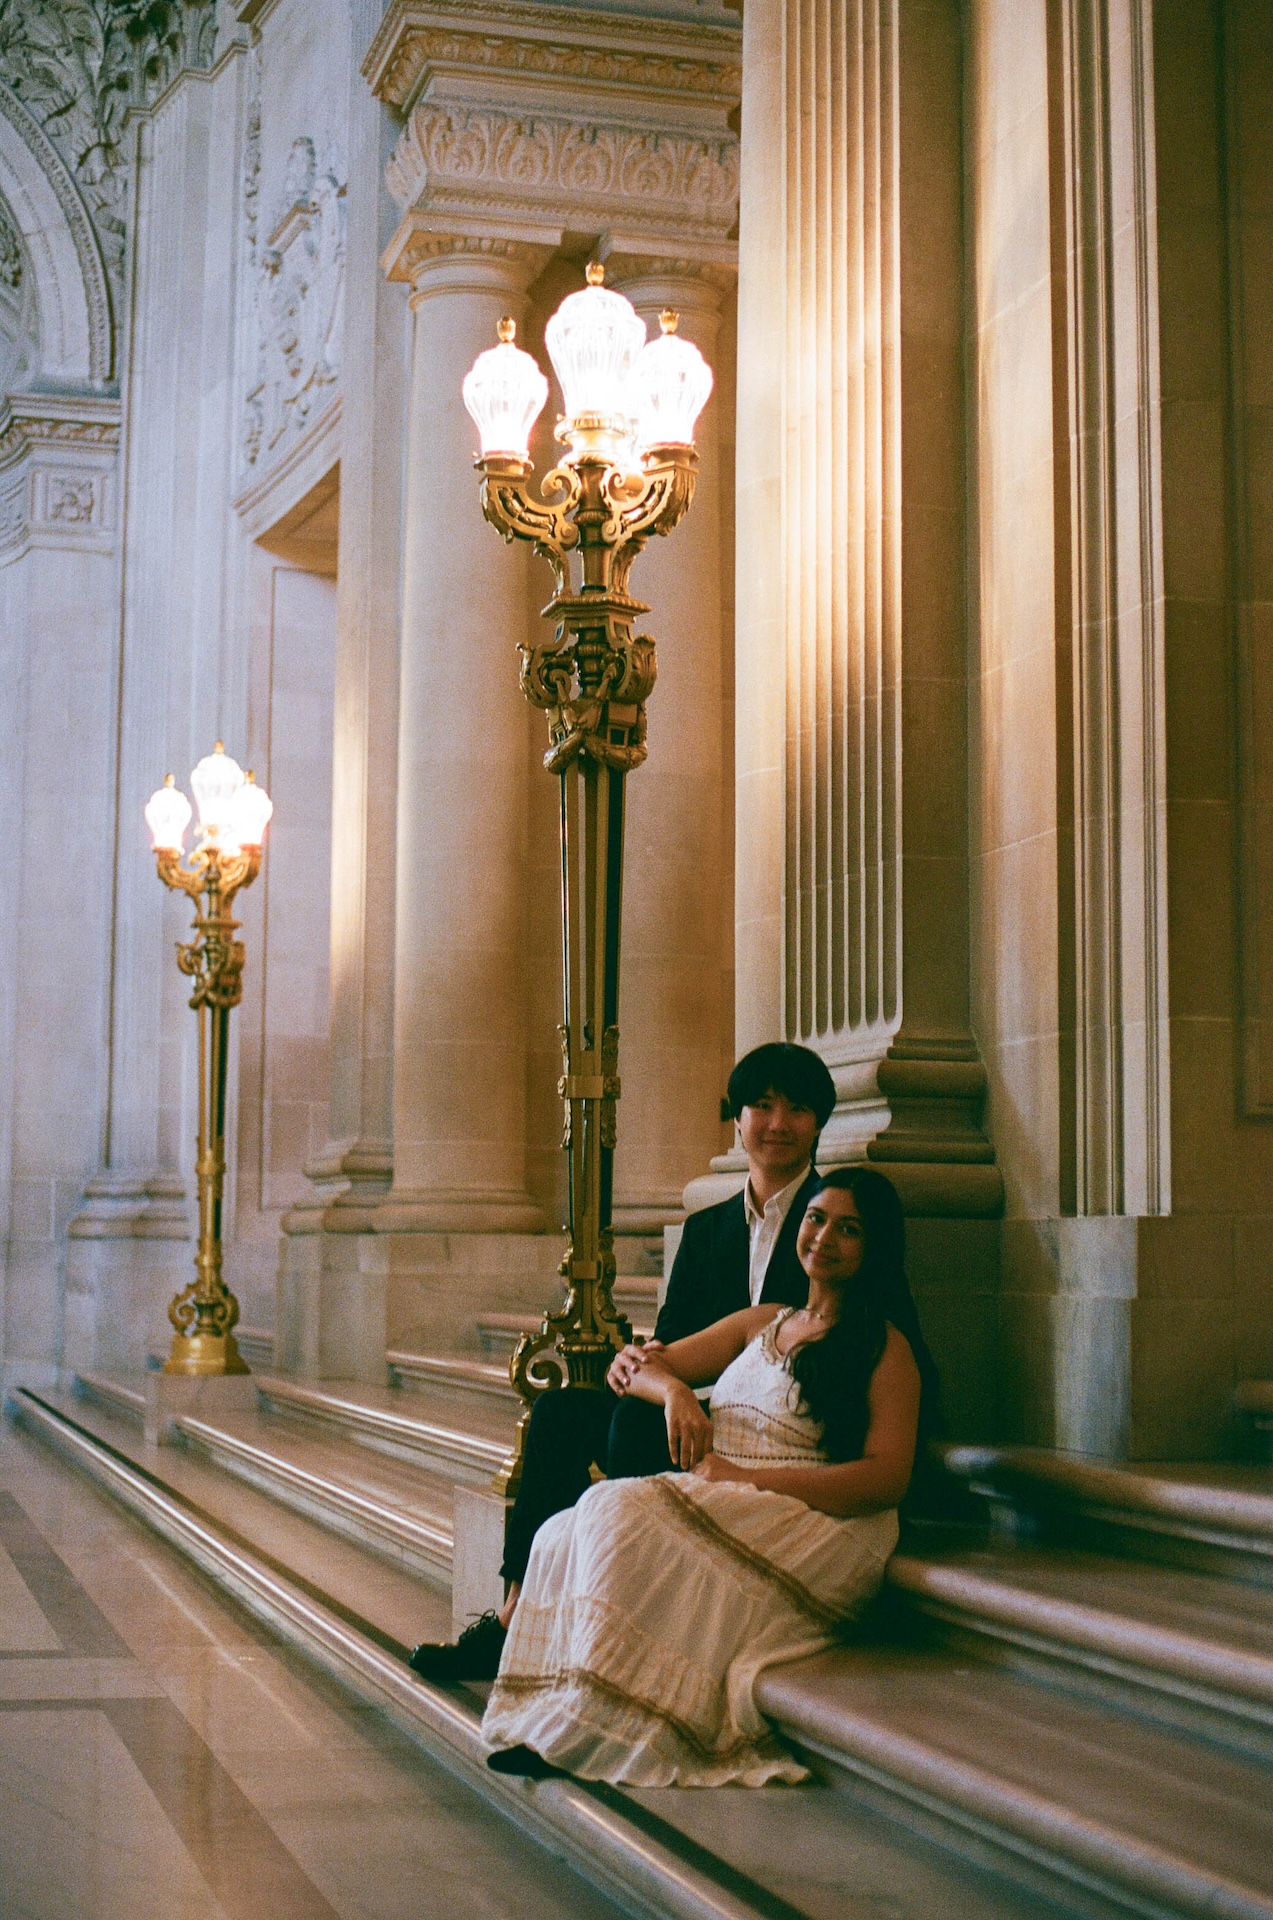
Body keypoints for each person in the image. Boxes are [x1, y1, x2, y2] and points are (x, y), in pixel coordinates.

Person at [479, 1166, 934, 1785]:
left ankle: (602, 1720)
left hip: (813, 1518)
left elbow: (885, 1482)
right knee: (571, 1524)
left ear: (874, 1246)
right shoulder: (765, 1321)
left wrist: (744, 1477)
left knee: (616, 1513)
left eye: (848, 1229)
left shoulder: (886, 1347)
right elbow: (638, 1366)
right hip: (727, 1489)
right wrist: (676, 1396)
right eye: (815, 1219)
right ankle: (569, 1708)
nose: (824, 1237)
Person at [409, 1042, 842, 1683]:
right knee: (558, 1412)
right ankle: (513, 1617)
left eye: (797, 1108)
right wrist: (653, 1375)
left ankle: (615, 1632)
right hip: (693, 1413)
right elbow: (670, 1343)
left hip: (776, 1429)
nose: (778, 1123)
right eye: (762, 1105)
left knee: (631, 1428)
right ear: (738, 1120)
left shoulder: (831, 1219)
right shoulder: (706, 1229)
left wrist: (672, 1393)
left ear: (819, 1122)